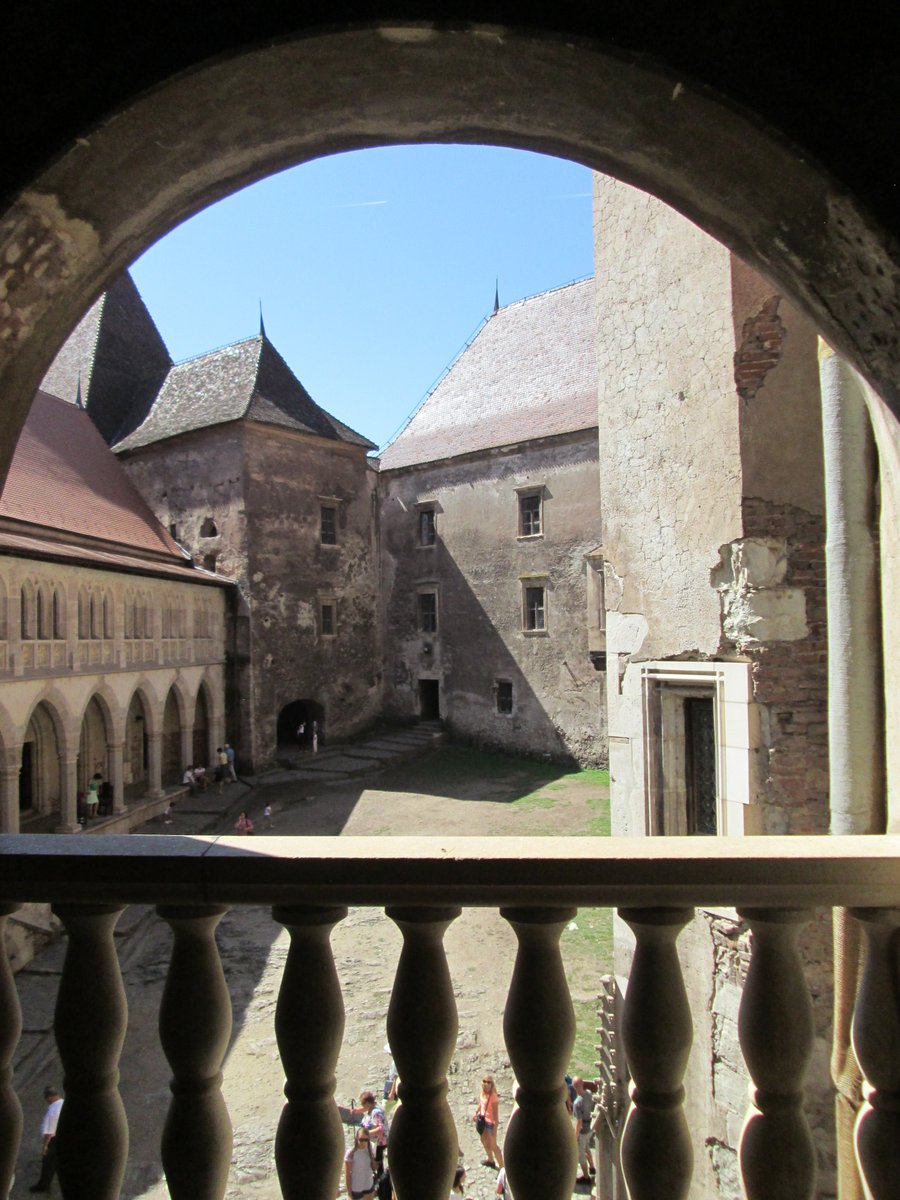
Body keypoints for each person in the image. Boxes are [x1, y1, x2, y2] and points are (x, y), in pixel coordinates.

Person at [29, 1085, 63, 1193]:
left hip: (54, 1140)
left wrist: (44, 1147)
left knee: (48, 1163)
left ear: (50, 1097)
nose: (46, 1100)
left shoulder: (53, 1112)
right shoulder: (63, 1103)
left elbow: (49, 1133)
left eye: (46, 1097)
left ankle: (43, 1185)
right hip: (63, 1135)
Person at [475, 1075, 503, 1169]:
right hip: (483, 1120)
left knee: (493, 1145)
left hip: (490, 1123)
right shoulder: (483, 1093)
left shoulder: (493, 1097)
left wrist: (495, 1130)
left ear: (492, 1084)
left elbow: (496, 1115)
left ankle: (503, 1168)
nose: (486, 1084)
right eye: (485, 1081)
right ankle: (490, 1160)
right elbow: (482, 1103)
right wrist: (476, 1112)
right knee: (484, 1141)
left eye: (489, 1082)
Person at [572, 1077, 597, 1184]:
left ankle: (586, 1177)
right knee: (587, 1147)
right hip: (590, 1127)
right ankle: (592, 1167)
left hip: (582, 1131)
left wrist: (575, 1136)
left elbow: (579, 1122)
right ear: (583, 1084)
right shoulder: (589, 1093)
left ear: (574, 1087)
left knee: (581, 1153)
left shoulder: (577, 1103)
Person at [344, 1128, 375, 1200]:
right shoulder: (350, 1153)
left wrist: (373, 1158)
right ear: (357, 1138)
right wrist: (349, 1194)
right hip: (356, 1189)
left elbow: (373, 1167)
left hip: (369, 1186)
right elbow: (347, 1175)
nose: (363, 1142)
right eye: (361, 1140)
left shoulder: (371, 1148)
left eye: (366, 1140)